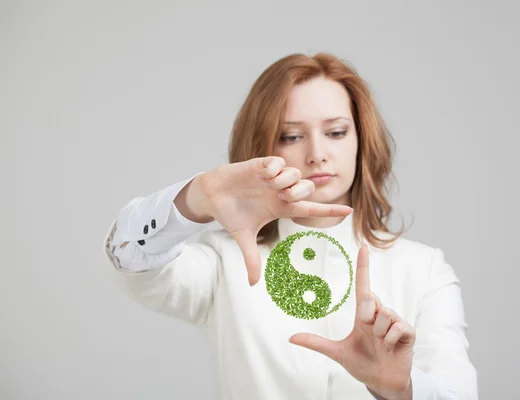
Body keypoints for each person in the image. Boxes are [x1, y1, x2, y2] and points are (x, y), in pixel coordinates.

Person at [102, 52, 478, 400]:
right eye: (292, 136)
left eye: (336, 132)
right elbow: (130, 255)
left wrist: (401, 389)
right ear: (264, 144)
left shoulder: (424, 269)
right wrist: (194, 198)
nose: (316, 154)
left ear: (362, 140)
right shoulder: (224, 262)